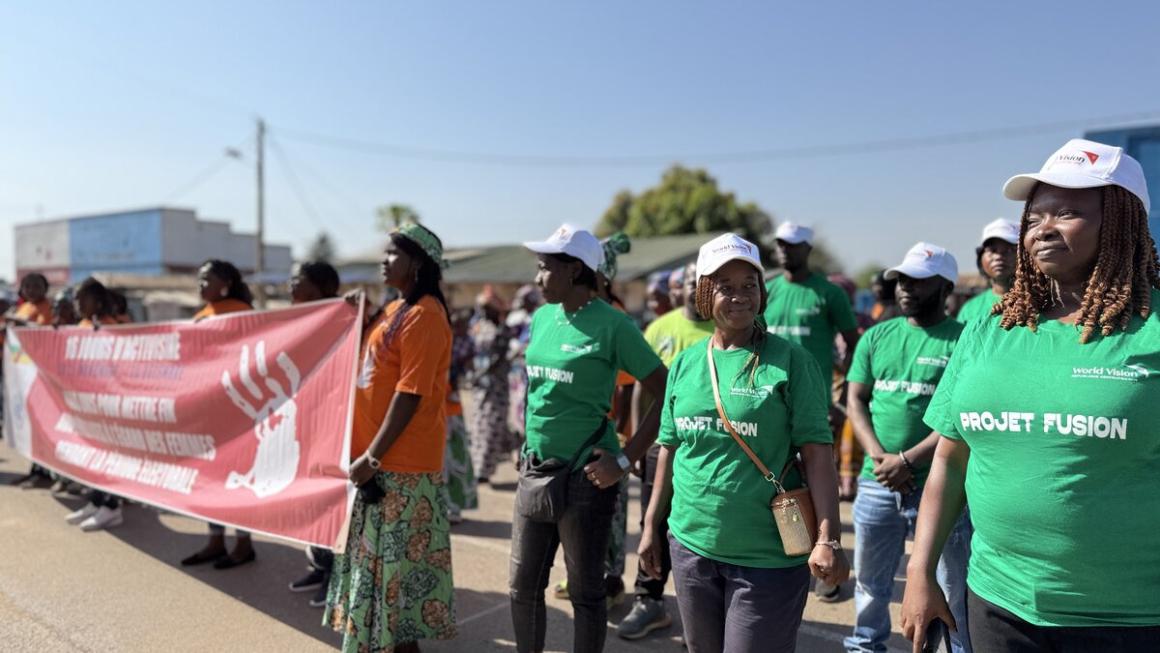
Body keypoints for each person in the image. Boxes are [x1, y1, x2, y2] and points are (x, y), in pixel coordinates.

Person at [901, 139, 1160, 651]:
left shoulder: (1151, 330)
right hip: (999, 604)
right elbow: (951, 462)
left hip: (1129, 618)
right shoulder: (989, 329)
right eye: (1035, 215)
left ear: (1123, 221)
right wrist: (919, 572)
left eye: (1068, 212)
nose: (1044, 227)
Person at [639, 233, 849, 653]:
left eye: (749, 286)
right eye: (725, 287)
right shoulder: (684, 364)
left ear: (762, 292)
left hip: (767, 558)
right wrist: (650, 528)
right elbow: (669, 449)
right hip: (691, 547)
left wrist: (829, 538)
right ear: (703, 292)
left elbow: (818, 455)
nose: (739, 297)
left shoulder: (791, 361)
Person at [513, 224, 668, 653]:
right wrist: (526, 441)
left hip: (586, 479)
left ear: (576, 270)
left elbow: (666, 389)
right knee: (522, 586)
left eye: (545, 268)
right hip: (536, 470)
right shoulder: (542, 318)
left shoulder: (614, 325)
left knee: (585, 591)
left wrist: (624, 458)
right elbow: (538, 389)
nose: (538, 278)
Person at [324, 222, 457, 653]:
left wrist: (373, 458)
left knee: (395, 572)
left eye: (392, 254)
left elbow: (410, 395)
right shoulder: (393, 310)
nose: (383, 261)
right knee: (382, 570)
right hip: (377, 461)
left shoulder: (425, 316)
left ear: (417, 263)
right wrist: (357, 317)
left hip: (400, 465)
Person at [843, 244, 972, 653]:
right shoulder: (877, 336)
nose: (905, 288)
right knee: (871, 581)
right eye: (901, 279)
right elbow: (855, 400)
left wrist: (909, 460)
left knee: (950, 582)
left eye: (918, 281)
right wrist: (881, 458)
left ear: (945, 286)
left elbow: (963, 416)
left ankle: (953, 649)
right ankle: (866, 645)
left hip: (942, 483)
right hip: (877, 482)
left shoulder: (966, 339)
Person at [762, 221, 859, 601]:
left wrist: (841, 396)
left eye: (794, 245)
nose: (786, 251)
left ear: (808, 249)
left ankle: (827, 565)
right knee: (781, 481)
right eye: (781, 244)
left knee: (818, 482)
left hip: (814, 405)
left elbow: (853, 345)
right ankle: (788, 559)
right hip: (770, 403)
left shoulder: (828, 293)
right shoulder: (768, 290)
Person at [617, 260, 712, 641]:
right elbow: (643, 386)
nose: (692, 288)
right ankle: (649, 600)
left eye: (698, 282)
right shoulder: (659, 327)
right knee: (652, 522)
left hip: (706, 451)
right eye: (687, 282)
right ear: (677, 288)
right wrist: (639, 443)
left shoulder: (723, 328)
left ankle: (707, 603)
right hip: (661, 447)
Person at [180, 260, 257, 569]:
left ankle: (243, 543)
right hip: (207, 410)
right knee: (210, 477)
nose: (200, 286)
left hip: (236, 410)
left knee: (237, 478)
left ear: (225, 283)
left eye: (206, 280)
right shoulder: (200, 316)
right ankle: (215, 540)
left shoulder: (242, 313)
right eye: (198, 280)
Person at [283, 262, 343, 608]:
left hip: (332, 423)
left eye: (298, 279)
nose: (291, 285)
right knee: (309, 500)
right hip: (303, 422)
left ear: (320, 286)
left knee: (330, 499)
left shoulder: (343, 318)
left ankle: (336, 574)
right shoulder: (295, 319)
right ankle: (318, 564)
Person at [63, 278, 126, 532]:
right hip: (88, 405)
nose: (77, 304)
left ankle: (112, 507)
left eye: (82, 299)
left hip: (107, 405)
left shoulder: (110, 327)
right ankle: (96, 499)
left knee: (110, 456)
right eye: (76, 299)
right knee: (94, 455)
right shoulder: (82, 325)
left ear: (98, 302)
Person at [7, 273, 55, 489]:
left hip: (40, 375)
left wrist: (19, 323)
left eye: (36, 286)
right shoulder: (23, 307)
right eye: (27, 286)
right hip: (21, 374)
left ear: (45, 288)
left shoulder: (47, 308)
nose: (32, 290)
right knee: (29, 424)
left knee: (42, 424)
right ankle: (35, 469)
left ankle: (45, 471)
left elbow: (44, 332)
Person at [468, 286, 516, 483]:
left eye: (487, 307)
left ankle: (484, 471)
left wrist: (483, 372)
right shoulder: (479, 326)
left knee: (491, 427)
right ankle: (479, 469)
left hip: (496, 386)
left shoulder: (503, 330)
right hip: (481, 386)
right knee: (479, 427)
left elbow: (499, 358)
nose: (483, 310)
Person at [444, 307, 479, 524]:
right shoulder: (445, 343)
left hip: (451, 411)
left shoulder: (460, 345)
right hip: (440, 412)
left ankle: (454, 508)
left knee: (454, 461)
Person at [956, 219, 1019, 324]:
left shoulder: (1038, 303)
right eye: (992, 250)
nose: (998, 256)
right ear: (981, 258)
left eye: (1009, 250)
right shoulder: (970, 309)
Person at [505, 284, 541, 446]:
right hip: (519, 372)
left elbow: (531, 344)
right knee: (519, 406)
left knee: (528, 406)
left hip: (530, 372)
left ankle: (528, 441)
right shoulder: (521, 319)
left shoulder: (538, 318)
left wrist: (520, 350)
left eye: (525, 300)